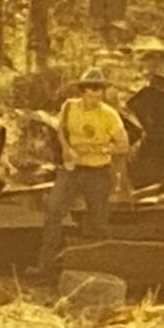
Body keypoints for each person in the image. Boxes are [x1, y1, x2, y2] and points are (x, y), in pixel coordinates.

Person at [34, 67, 131, 278]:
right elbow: (61, 131)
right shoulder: (69, 108)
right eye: (91, 88)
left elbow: (123, 145)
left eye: (100, 89)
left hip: (97, 171)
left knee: (98, 220)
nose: (95, 94)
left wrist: (101, 149)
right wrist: (67, 149)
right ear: (83, 90)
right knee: (53, 212)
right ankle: (46, 264)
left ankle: (103, 268)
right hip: (72, 170)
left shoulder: (109, 115)